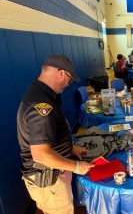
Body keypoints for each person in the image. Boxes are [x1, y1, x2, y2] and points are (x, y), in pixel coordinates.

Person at [17, 54, 93, 214]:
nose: (68, 84)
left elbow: (50, 135)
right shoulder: (41, 105)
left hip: (53, 174)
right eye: (69, 80)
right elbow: (40, 155)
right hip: (49, 180)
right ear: (61, 73)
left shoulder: (42, 93)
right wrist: (77, 166)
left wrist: (70, 148)